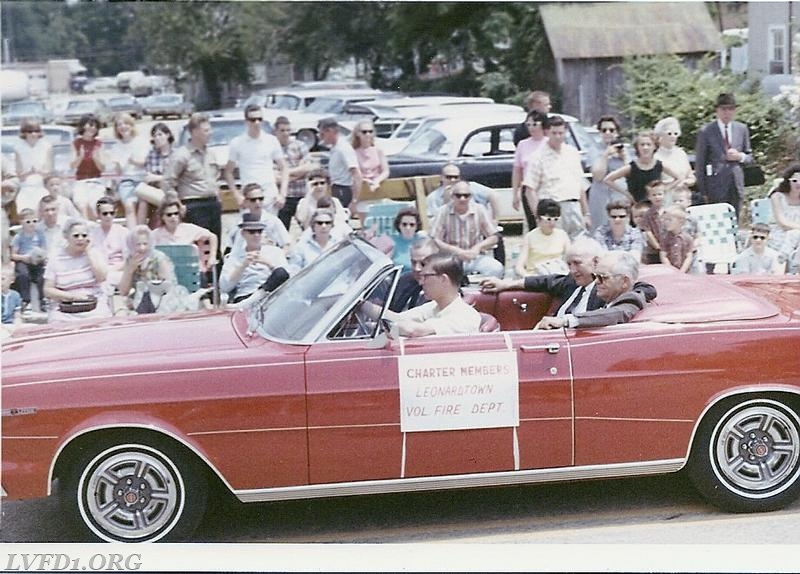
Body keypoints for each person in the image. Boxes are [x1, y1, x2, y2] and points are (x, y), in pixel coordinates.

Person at [481, 236, 606, 316]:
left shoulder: (605, 291)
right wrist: (506, 284)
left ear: (595, 262)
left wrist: (566, 322)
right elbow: (545, 281)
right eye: (569, 264)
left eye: (577, 263)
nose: (572, 270)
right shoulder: (571, 282)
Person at [535, 251, 652, 329]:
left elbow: (618, 314)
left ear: (624, 282)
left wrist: (566, 320)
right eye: (596, 276)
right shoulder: (609, 297)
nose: (596, 282)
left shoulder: (631, 300)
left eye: (603, 277)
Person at [162, 113, 223, 254]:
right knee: (199, 247)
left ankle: (215, 275)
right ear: (194, 132)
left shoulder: (210, 153)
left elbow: (216, 178)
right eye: (206, 130)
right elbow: (168, 181)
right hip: (193, 205)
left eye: (210, 129)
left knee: (214, 246)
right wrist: (177, 205)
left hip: (212, 204)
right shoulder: (182, 155)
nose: (210, 133)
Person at [523, 115, 591, 239]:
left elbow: (580, 186)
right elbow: (530, 190)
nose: (558, 136)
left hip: (574, 207)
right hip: (553, 208)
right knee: (555, 245)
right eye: (554, 133)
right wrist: (539, 217)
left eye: (561, 133)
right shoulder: (538, 156)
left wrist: (586, 213)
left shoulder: (573, 153)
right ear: (547, 132)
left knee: (578, 246)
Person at [386, 253, 481, 337]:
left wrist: (388, 326)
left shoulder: (465, 316)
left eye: (426, 277)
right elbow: (398, 318)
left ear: (443, 279)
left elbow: (414, 331)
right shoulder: (433, 306)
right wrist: (371, 308)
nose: (421, 283)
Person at [694, 93, 753, 216]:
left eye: (731, 109)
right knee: (718, 221)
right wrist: (703, 191)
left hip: (736, 182)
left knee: (735, 220)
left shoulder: (741, 129)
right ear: (717, 110)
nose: (727, 113)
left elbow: (750, 157)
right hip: (715, 184)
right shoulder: (706, 131)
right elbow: (700, 163)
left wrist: (740, 156)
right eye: (723, 109)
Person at [431, 181, 504, 278]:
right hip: (450, 259)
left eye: (466, 195)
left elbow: (494, 237)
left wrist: (477, 248)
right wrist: (457, 251)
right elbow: (435, 240)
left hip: (475, 258)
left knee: (496, 268)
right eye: (458, 195)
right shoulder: (443, 212)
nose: (462, 199)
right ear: (452, 196)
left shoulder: (480, 210)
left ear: (471, 196)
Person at [224, 104, 289, 212]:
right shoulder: (237, 143)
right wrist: (237, 196)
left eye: (260, 119)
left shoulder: (271, 140)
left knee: (271, 228)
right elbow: (228, 172)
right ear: (246, 121)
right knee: (250, 228)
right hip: (248, 196)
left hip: (270, 195)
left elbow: (284, 168)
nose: (257, 123)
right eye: (253, 119)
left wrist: (282, 194)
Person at [43, 218, 110, 322]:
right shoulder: (56, 258)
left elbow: (102, 277)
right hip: (66, 308)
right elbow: (48, 290)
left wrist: (88, 253)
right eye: (76, 236)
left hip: (94, 306)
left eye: (84, 235)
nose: (80, 239)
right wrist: (72, 297)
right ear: (66, 237)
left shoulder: (94, 254)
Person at [220, 213, 290, 303]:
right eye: (252, 232)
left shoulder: (275, 252)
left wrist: (268, 263)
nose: (256, 235)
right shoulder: (234, 257)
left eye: (259, 231)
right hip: (246, 296)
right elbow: (224, 286)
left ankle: (259, 295)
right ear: (243, 233)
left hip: (272, 295)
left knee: (280, 272)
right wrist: (242, 266)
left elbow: (286, 276)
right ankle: (253, 299)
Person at [604, 131, 682, 205]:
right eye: (642, 145)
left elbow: (679, 178)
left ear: (654, 146)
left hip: (654, 206)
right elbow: (608, 179)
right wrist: (627, 194)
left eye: (648, 144)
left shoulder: (659, 165)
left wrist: (664, 190)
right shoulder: (631, 167)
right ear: (637, 147)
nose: (645, 148)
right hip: (636, 206)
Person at [151, 193, 218, 277]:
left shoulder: (189, 229)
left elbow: (212, 236)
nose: (173, 217)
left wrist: (212, 257)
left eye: (176, 213)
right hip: (166, 276)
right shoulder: (155, 234)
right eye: (169, 215)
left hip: (191, 274)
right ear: (162, 216)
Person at [118, 225, 177, 314]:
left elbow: (168, 286)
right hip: (139, 300)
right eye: (138, 244)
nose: (142, 248)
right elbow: (123, 291)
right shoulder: (130, 259)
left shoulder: (159, 258)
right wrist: (130, 270)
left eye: (145, 244)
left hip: (161, 300)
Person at [274, 116, 315, 231]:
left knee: (308, 229)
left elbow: (308, 167)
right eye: (282, 130)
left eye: (288, 130)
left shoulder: (300, 145)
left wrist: (286, 173)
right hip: (284, 197)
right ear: (276, 131)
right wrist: (299, 172)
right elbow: (275, 178)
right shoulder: (272, 149)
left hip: (302, 194)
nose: (285, 133)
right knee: (281, 231)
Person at [588, 115, 628, 231]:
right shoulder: (594, 149)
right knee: (600, 230)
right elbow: (598, 176)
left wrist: (624, 158)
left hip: (619, 196)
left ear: (617, 132)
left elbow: (630, 176)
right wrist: (605, 155)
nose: (607, 133)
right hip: (601, 197)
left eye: (611, 130)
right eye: (604, 130)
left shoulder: (625, 149)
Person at [108, 113, 148, 228]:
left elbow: (144, 162)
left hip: (141, 179)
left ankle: (141, 231)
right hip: (126, 181)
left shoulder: (141, 141)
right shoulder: (116, 146)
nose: (123, 127)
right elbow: (117, 170)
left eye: (125, 123)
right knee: (129, 206)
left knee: (143, 203)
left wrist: (132, 160)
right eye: (119, 125)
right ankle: (132, 234)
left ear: (131, 125)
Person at [512, 110, 549, 231]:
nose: (531, 128)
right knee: (533, 222)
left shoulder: (549, 143)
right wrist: (515, 194)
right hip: (528, 188)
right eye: (528, 124)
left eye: (535, 124)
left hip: (546, 187)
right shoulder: (522, 145)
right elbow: (517, 170)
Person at [426, 163, 501, 223]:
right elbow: (431, 219)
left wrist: (495, 220)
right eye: (449, 177)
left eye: (456, 177)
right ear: (441, 177)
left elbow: (494, 195)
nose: (453, 180)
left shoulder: (471, 186)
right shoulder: (434, 197)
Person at [228, 183, 291, 254]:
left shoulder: (273, 221)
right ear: (245, 202)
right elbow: (230, 247)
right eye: (253, 200)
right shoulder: (238, 223)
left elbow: (286, 245)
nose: (257, 202)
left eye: (261, 199)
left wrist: (277, 259)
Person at [318, 117, 362, 215]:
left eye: (322, 134)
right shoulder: (335, 148)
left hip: (343, 189)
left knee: (341, 218)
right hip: (336, 188)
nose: (321, 137)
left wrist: (354, 200)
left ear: (330, 131)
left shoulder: (343, 148)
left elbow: (356, 174)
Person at [515, 199, 570, 278]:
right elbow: (519, 267)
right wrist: (529, 277)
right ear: (538, 219)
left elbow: (570, 260)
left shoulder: (562, 235)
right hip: (535, 276)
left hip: (557, 275)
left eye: (556, 219)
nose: (552, 223)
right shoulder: (529, 237)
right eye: (548, 219)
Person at [135, 122, 175, 225]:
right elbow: (149, 176)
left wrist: (158, 178)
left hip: (172, 190)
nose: (157, 138)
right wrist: (158, 179)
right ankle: (140, 230)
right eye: (155, 136)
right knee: (143, 201)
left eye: (160, 134)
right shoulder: (152, 154)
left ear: (168, 135)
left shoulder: (176, 154)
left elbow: (176, 177)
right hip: (155, 189)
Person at [69, 114, 106, 220]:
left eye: (95, 126)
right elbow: (72, 166)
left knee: (94, 204)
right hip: (81, 181)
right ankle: (87, 227)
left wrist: (95, 157)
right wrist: (80, 156)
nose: (92, 128)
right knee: (82, 203)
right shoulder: (76, 143)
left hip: (96, 181)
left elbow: (102, 168)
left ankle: (91, 227)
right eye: (90, 125)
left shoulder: (98, 143)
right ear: (83, 126)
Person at [10, 207, 47, 312]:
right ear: (22, 222)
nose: (32, 224)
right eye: (28, 222)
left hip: (37, 260)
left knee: (43, 276)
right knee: (23, 275)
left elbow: (44, 249)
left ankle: (43, 299)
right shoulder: (19, 237)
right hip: (24, 260)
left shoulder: (40, 234)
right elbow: (13, 255)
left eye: (34, 221)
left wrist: (42, 256)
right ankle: (26, 300)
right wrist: (24, 258)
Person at [389, 236, 439, 313]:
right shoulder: (405, 281)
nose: (417, 268)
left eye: (423, 263)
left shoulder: (442, 290)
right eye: (413, 262)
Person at [13, 118, 53, 213]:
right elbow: (20, 175)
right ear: (24, 133)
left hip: (41, 186)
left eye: (36, 131)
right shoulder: (18, 147)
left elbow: (48, 172)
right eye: (30, 131)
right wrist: (29, 173)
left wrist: (38, 172)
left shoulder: (46, 146)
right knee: (24, 211)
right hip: (25, 187)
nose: (33, 134)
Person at [89, 196, 129, 288]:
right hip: (98, 273)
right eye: (105, 213)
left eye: (111, 213)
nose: (108, 216)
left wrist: (110, 270)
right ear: (99, 214)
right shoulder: (92, 234)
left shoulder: (124, 232)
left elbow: (128, 259)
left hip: (118, 272)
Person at [295, 168, 351, 234]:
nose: (319, 186)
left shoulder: (334, 201)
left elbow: (342, 222)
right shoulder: (304, 202)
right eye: (315, 184)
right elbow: (301, 218)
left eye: (322, 183)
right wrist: (308, 193)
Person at [653, 116, 695, 203]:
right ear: (660, 135)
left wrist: (687, 182)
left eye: (676, 134)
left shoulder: (681, 154)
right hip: (665, 199)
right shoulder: (655, 156)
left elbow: (691, 177)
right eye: (669, 134)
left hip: (683, 198)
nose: (673, 137)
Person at [768, 164, 800, 267]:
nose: (798, 184)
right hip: (779, 233)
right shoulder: (777, 197)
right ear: (788, 181)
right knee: (793, 234)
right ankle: (783, 260)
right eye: (795, 181)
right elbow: (782, 222)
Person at [658, 205, 694, 273]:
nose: (666, 222)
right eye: (665, 220)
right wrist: (670, 269)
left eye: (669, 220)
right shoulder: (665, 238)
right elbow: (663, 256)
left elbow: (689, 257)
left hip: (685, 272)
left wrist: (682, 271)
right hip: (670, 272)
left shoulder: (688, 238)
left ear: (681, 221)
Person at [640, 180, 668, 264]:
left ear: (665, 195)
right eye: (654, 195)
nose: (657, 197)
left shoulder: (670, 212)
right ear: (649, 197)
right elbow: (648, 232)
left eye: (660, 194)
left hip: (670, 247)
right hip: (654, 250)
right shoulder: (647, 214)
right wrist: (658, 247)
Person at [391, 207, 423, 273]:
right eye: (404, 224)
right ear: (399, 225)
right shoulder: (390, 241)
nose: (408, 228)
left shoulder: (423, 241)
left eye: (412, 225)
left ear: (417, 226)